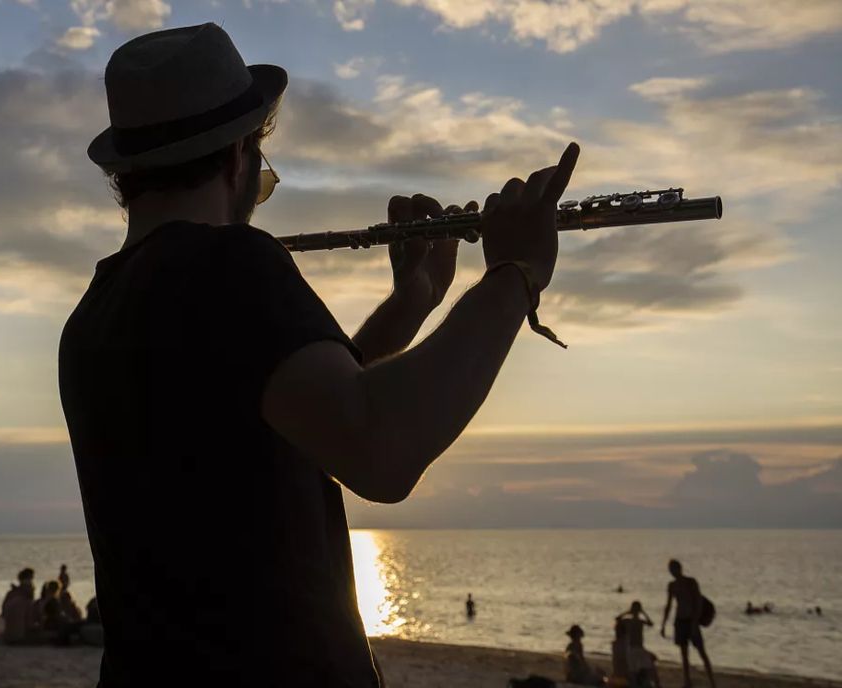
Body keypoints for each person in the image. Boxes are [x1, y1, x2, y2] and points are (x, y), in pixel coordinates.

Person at [59, 21, 580, 687]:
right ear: (237, 157)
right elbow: (379, 453)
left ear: (127, 175)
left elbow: (298, 425)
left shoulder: (94, 317)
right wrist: (516, 272)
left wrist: (412, 302)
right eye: (261, 169)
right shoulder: (230, 264)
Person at [661, 560, 716, 688]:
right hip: (680, 621)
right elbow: (668, 605)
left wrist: (694, 623)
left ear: (680, 568)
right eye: (671, 570)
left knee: (702, 652)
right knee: (684, 654)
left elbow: (698, 603)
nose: (673, 572)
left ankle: (713, 682)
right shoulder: (671, 585)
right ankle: (687, 682)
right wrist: (663, 625)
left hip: (692, 620)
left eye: (674, 569)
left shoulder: (691, 582)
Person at [615, 601, 662, 688]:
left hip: (639, 648)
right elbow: (617, 619)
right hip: (632, 649)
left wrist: (643, 612)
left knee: (648, 667)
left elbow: (651, 623)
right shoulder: (628, 621)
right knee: (635, 670)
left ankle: (655, 684)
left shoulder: (639, 621)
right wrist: (628, 612)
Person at [1, 568, 39, 645]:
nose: (34, 588)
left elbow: (3, 614)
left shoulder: (11, 594)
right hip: (20, 637)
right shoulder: (26, 601)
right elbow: (30, 623)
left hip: (8, 635)